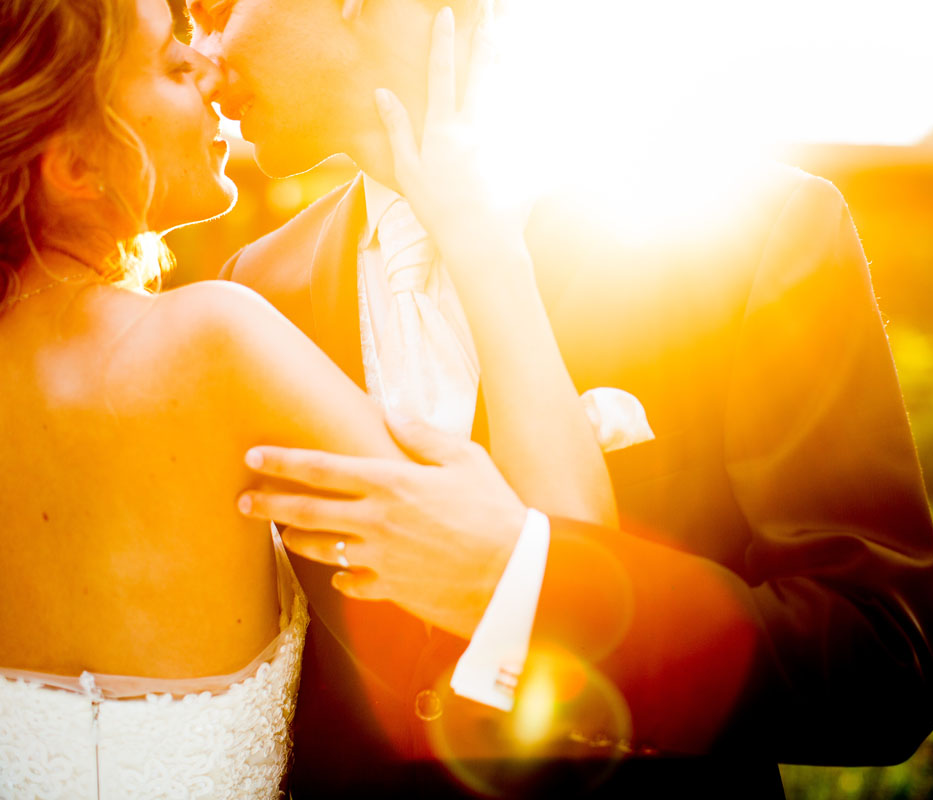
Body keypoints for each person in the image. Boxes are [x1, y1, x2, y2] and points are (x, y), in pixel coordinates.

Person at [194, 0, 933, 797]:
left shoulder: (748, 232)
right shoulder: (254, 290)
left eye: (213, 8)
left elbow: (879, 673)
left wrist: (523, 580)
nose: (201, 53)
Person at [0, 0, 611, 797]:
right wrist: (475, 231)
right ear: (76, 167)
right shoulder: (216, 336)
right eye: (174, 64)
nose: (210, 67)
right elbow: (558, 570)